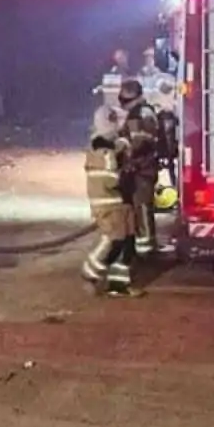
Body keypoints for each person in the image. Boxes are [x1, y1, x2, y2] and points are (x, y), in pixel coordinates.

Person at [82, 109, 139, 297]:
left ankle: (118, 284)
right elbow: (111, 181)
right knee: (113, 240)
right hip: (110, 204)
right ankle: (90, 273)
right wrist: (125, 171)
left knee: (127, 242)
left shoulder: (111, 148)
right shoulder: (103, 151)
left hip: (122, 201)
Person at [117, 79, 162, 252]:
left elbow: (140, 143)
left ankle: (147, 248)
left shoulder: (142, 114)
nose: (122, 102)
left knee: (142, 207)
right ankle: (141, 245)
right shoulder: (136, 113)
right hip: (136, 170)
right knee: (136, 208)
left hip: (143, 170)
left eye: (125, 99)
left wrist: (122, 148)